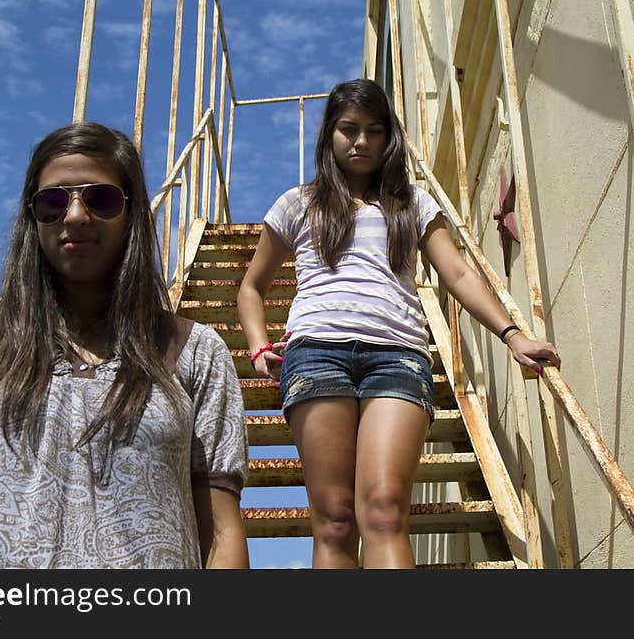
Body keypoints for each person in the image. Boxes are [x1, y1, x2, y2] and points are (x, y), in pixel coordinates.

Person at [237, 78, 560, 569]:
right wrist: (259, 346)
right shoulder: (299, 202)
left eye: (374, 130)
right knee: (335, 518)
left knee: (386, 512)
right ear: (330, 135)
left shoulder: (413, 203)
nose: (361, 141)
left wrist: (512, 334)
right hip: (316, 354)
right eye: (349, 129)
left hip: (398, 357)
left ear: (390, 139)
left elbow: (455, 272)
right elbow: (251, 287)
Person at [0, 122, 249, 569]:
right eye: (53, 201)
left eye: (100, 199)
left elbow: (221, 528)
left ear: (132, 213)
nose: (76, 214)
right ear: (32, 217)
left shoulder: (197, 352)